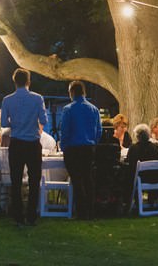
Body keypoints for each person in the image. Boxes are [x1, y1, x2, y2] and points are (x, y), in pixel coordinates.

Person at [0, 68, 48, 226]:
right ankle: (31, 215)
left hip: (17, 143)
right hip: (33, 143)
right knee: (34, 181)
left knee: (16, 180)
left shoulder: (7, 100)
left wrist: (16, 122)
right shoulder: (37, 98)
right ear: (28, 81)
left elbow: (4, 123)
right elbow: (44, 120)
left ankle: (18, 215)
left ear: (14, 81)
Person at [59, 80, 102, 220]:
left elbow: (65, 130)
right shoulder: (94, 109)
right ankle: (91, 210)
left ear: (71, 92)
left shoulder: (68, 109)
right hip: (88, 148)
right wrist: (93, 143)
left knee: (77, 180)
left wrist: (63, 147)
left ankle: (81, 212)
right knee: (88, 179)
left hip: (73, 148)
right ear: (83, 92)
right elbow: (99, 131)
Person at [126, 124, 158, 203]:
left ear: (137, 136)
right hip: (155, 179)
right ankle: (153, 199)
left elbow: (129, 163)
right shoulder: (154, 147)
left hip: (139, 180)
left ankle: (133, 201)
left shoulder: (133, 148)